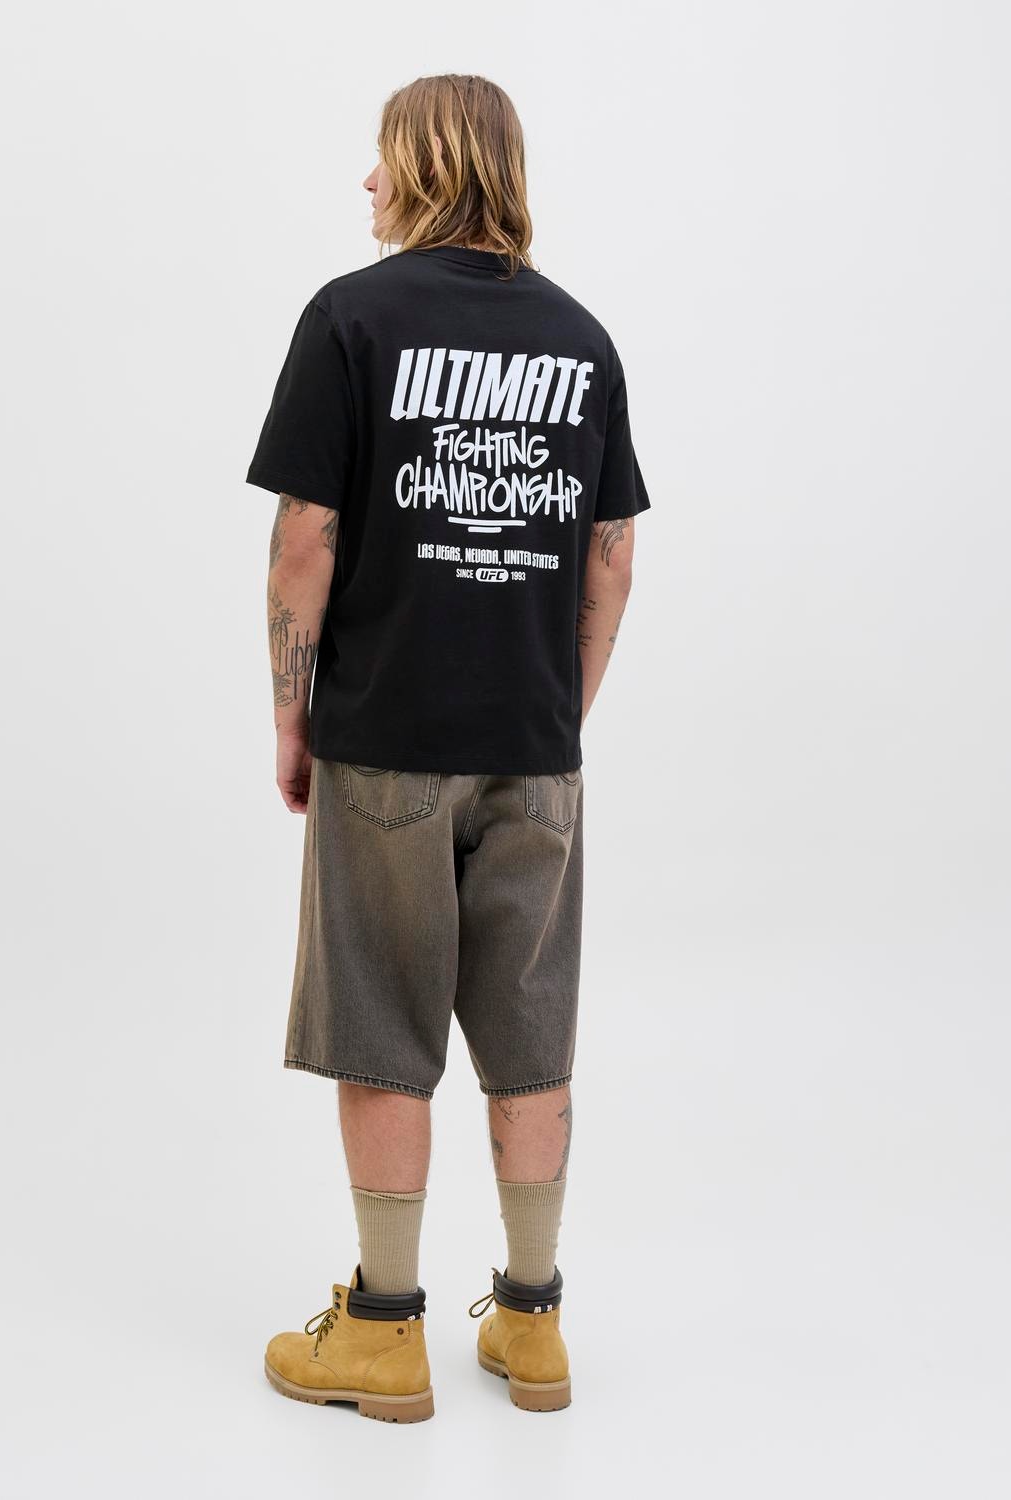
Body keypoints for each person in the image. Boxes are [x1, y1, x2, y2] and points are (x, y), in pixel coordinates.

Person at [245, 73, 650, 1422]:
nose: (366, 182)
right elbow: (610, 558)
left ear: (425, 162)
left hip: (388, 743)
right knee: (532, 1040)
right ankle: (532, 1324)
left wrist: (293, 715)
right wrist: (554, 716)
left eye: (380, 157)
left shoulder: (351, 318)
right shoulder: (582, 338)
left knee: (383, 1031)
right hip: (535, 753)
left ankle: (382, 1334)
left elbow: (304, 543)